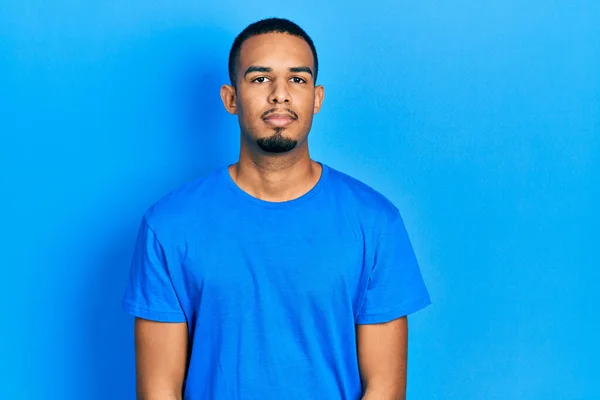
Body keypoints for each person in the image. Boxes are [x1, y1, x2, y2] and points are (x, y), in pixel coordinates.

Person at [122, 17, 431, 400]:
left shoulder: (375, 223)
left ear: (316, 98)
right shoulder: (167, 227)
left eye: (297, 79)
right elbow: (158, 391)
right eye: (260, 78)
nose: (280, 94)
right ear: (230, 98)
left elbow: (384, 388)